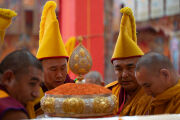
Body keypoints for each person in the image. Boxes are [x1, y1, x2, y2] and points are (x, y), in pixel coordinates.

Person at [27, 1, 74, 118]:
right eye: (53, 69)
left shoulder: (73, 89)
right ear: (40, 70)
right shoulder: (30, 94)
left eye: (63, 68)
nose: (59, 75)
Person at [105, 7, 149, 116]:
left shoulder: (153, 94)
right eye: (118, 69)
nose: (124, 75)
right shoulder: (108, 93)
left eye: (130, 67)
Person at [0, 49, 43, 120]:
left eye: (39, 85)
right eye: (32, 84)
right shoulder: (13, 113)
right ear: (8, 78)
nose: (37, 94)